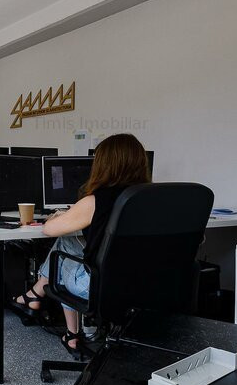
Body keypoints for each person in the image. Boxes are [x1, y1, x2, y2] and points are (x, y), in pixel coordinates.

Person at [14, 133, 151, 357]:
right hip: (148, 285)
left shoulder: (96, 201)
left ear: (104, 164)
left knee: (65, 244)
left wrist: (58, 217)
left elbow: (48, 230)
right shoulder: (153, 200)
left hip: (100, 288)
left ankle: (48, 309)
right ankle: (40, 301)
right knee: (72, 243)